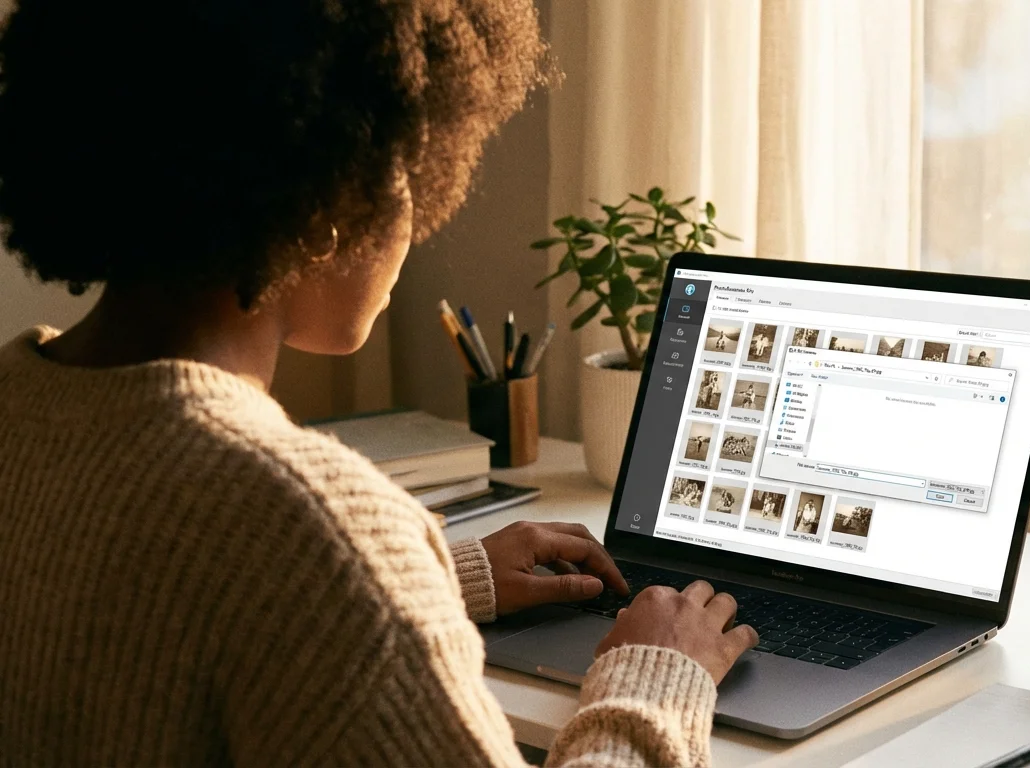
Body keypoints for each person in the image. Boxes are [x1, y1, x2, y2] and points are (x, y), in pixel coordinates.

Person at [0, 0, 756, 764]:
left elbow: (151, 616)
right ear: (331, 204)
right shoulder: (312, 524)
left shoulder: (16, 399)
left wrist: (428, 582)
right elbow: (282, 561)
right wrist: (659, 678)